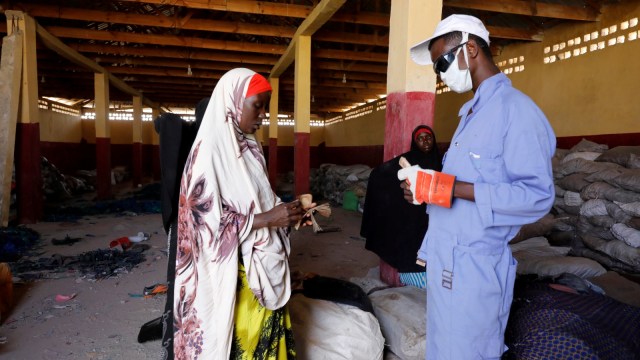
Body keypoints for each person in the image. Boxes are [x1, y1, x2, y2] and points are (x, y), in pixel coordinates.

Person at [398, 14, 556, 359]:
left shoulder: (516, 111)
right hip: (446, 262)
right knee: (444, 350)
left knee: (469, 353)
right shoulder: (471, 113)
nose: (440, 73)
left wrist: (449, 187)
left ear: (470, 49)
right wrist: (427, 190)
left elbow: (536, 196)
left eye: (442, 61)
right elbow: (463, 187)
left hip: (476, 270)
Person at [172, 68, 307, 359]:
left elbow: (259, 198)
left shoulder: (250, 147)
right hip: (234, 270)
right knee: (241, 338)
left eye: (265, 108)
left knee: (265, 337)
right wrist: (267, 219)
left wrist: (289, 212)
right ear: (232, 102)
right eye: (256, 106)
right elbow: (201, 223)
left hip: (258, 260)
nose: (262, 115)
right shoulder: (208, 153)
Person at [360, 125, 441, 288]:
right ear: (414, 142)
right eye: (420, 138)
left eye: (428, 137)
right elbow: (380, 174)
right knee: (414, 253)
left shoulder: (443, 162)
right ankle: (418, 284)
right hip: (414, 219)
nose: (425, 141)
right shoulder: (407, 161)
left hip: (437, 217)